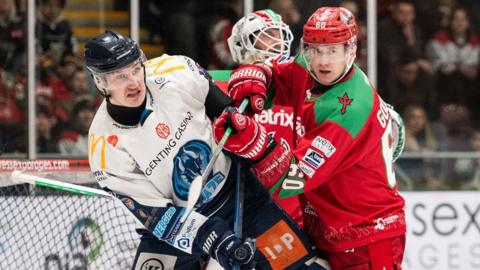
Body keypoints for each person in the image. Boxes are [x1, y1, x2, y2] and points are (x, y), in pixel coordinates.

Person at [86, 30, 328, 270]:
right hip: (176, 222)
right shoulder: (104, 147)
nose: (134, 82)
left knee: (304, 267)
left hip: (238, 193)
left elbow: (223, 111)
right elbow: (158, 218)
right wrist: (212, 236)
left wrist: (241, 127)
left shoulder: (174, 72)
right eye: (120, 77)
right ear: (100, 82)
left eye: (136, 69)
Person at [213, 7, 406, 269]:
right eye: (316, 50)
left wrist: (255, 144)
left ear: (351, 50)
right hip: (329, 227)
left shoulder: (348, 109)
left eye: (333, 51)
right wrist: (260, 75)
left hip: (367, 235)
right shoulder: (309, 68)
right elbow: (280, 73)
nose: (323, 61)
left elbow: (295, 176)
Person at [227, 9, 304, 228]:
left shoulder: (301, 82)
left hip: (296, 202)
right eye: (267, 34)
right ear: (244, 42)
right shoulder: (225, 86)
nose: (276, 41)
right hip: (244, 204)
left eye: (279, 34)